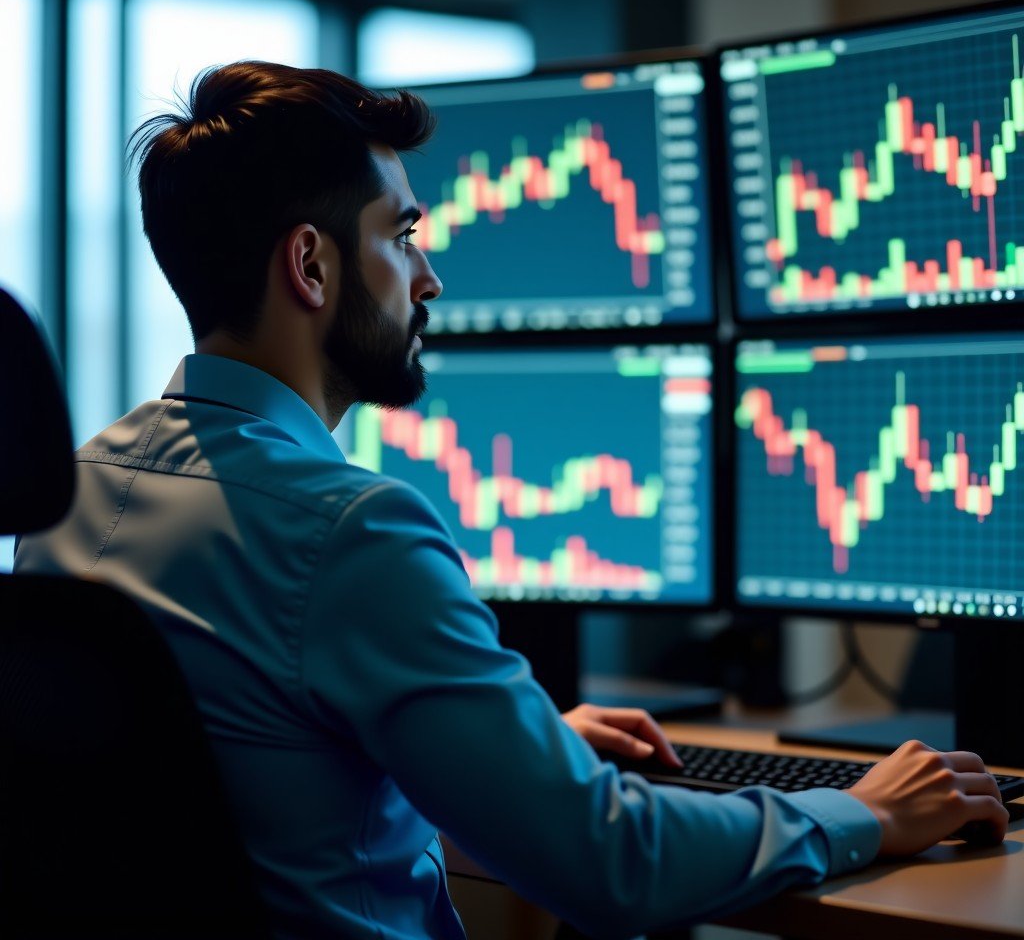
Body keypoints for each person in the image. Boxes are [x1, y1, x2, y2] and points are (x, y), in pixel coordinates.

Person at [15, 61, 1008, 940]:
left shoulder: (71, 490)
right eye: (401, 235)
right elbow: (613, 866)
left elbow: (238, 776)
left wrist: (505, 752)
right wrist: (865, 811)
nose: (429, 277)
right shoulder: (351, 531)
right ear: (310, 265)